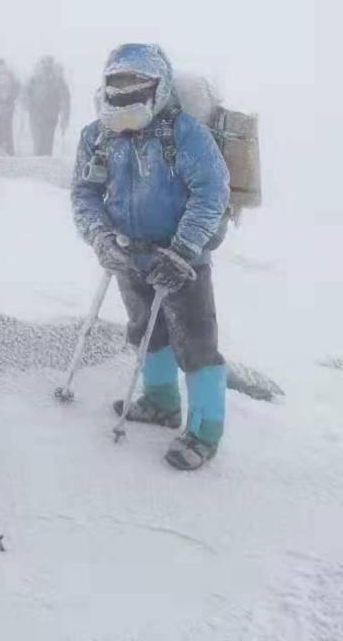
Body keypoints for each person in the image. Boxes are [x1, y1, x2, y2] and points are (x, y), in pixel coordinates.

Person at [72, 43, 230, 471]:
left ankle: (204, 431)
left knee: (196, 343)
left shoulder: (184, 133)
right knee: (144, 331)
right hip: (128, 254)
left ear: (158, 89)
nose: (125, 98)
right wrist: (101, 237)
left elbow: (212, 191)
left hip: (183, 260)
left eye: (135, 89)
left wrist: (182, 250)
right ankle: (161, 401)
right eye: (117, 89)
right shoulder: (97, 135)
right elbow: (84, 193)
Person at [24, 55, 71, 156]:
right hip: (36, 115)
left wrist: (64, 118)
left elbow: (65, 100)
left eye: (48, 63)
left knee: (47, 142)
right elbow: (25, 94)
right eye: (44, 63)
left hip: (50, 116)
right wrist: (27, 104)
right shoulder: (34, 80)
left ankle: (44, 163)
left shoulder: (58, 80)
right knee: (38, 141)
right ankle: (38, 162)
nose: (46, 65)